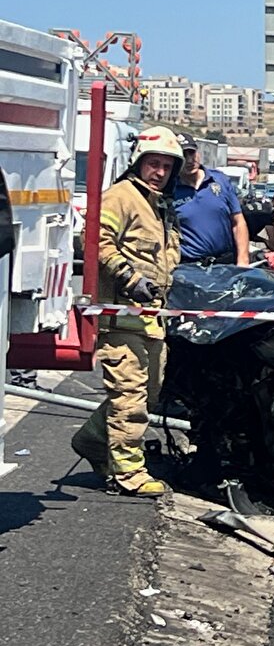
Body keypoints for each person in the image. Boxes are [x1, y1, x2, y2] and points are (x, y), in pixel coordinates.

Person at [70, 126, 183, 496]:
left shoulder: (159, 206)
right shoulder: (122, 197)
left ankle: (91, 440)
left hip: (150, 322)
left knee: (145, 397)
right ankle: (128, 474)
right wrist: (128, 276)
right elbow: (96, 239)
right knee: (129, 398)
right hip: (121, 319)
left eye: (167, 166)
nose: (160, 172)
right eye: (154, 164)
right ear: (138, 163)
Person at [173, 132, 249, 266]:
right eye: (184, 155)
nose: (190, 160)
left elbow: (238, 222)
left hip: (226, 263)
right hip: (190, 268)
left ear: (198, 153)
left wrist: (243, 260)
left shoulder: (220, 180)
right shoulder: (170, 190)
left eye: (192, 153)